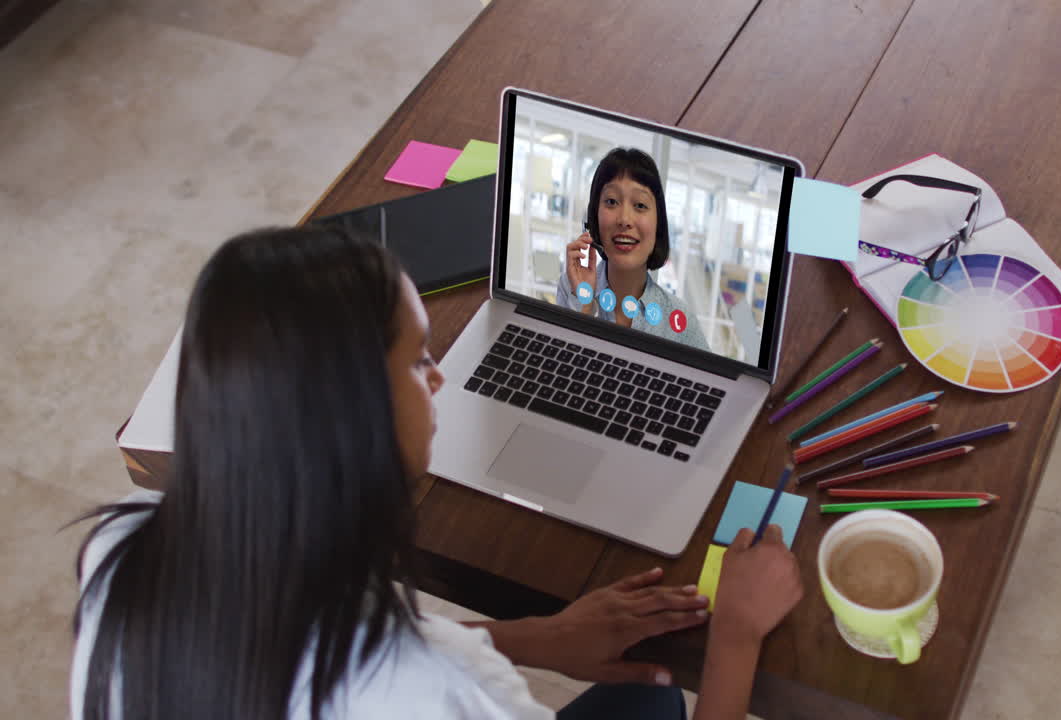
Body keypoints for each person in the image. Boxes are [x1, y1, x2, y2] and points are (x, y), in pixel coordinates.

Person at [71, 226, 802, 720]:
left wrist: (534, 638)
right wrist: (735, 634)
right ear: (358, 422)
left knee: (645, 699)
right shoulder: (442, 695)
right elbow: (411, 675)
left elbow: (323, 646)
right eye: (420, 361)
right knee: (661, 697)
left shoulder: (123, 553)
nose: (441, 380)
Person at [556, 148, 711, 352]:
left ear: (658, 224)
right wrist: (584, 305)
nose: (624, 220)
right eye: (611, 202)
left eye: (640, 205)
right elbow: (560, 368)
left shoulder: (678, 318)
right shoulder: (572, 287)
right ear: (595, 216)